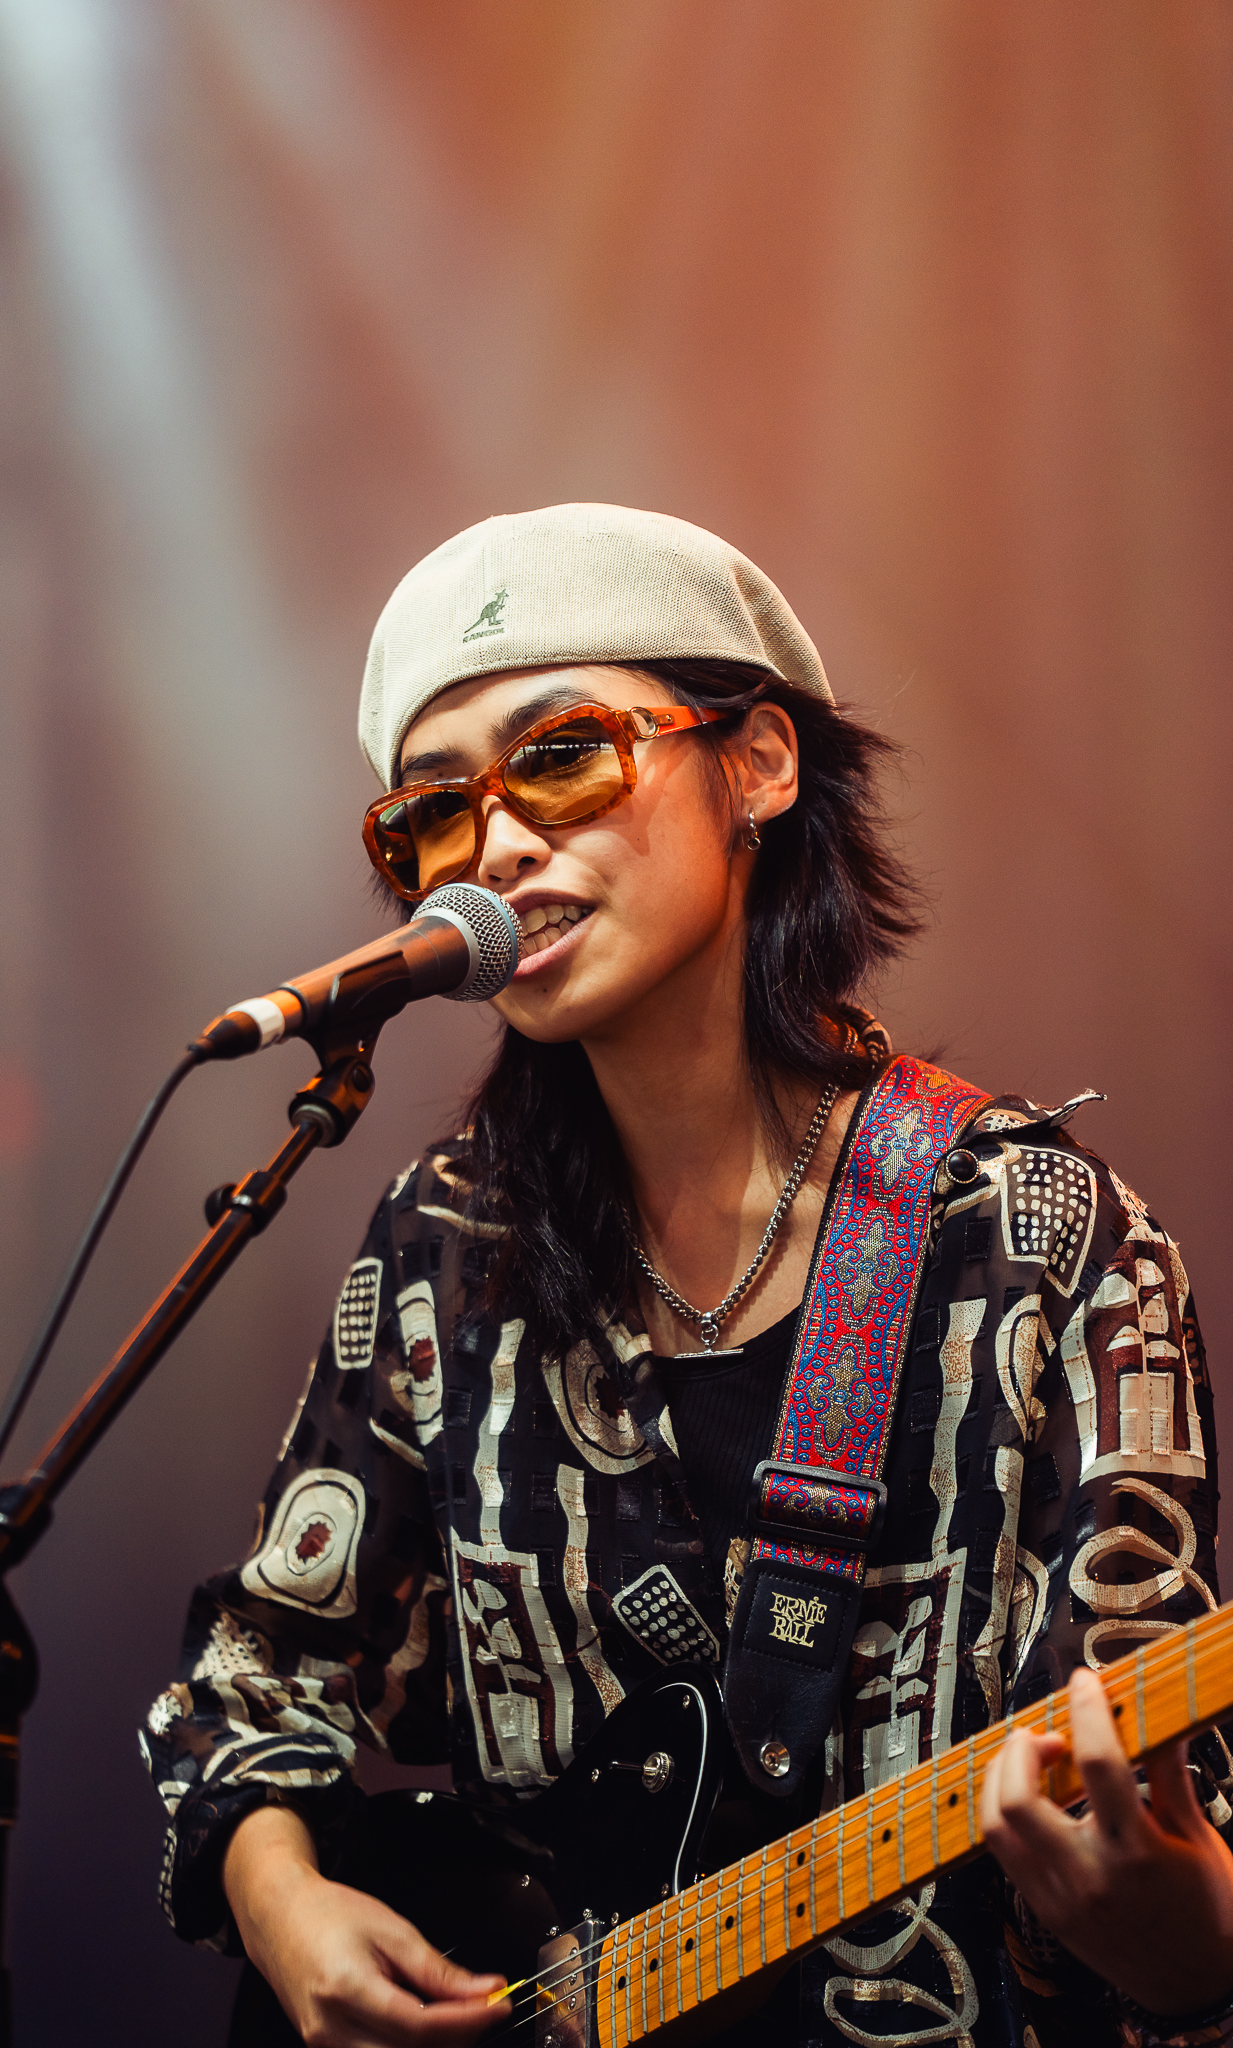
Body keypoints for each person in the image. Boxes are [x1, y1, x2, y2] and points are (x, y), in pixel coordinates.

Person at [141, 505, 1233, 2048]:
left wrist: (1193, 1954)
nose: (494, 846)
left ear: (760, 765)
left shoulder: (1041, 1241)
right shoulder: (445, 1249)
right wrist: (278, 1898)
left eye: (560, 756)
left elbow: (1163, 1819)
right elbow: (257, 1678)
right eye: (432, 813)